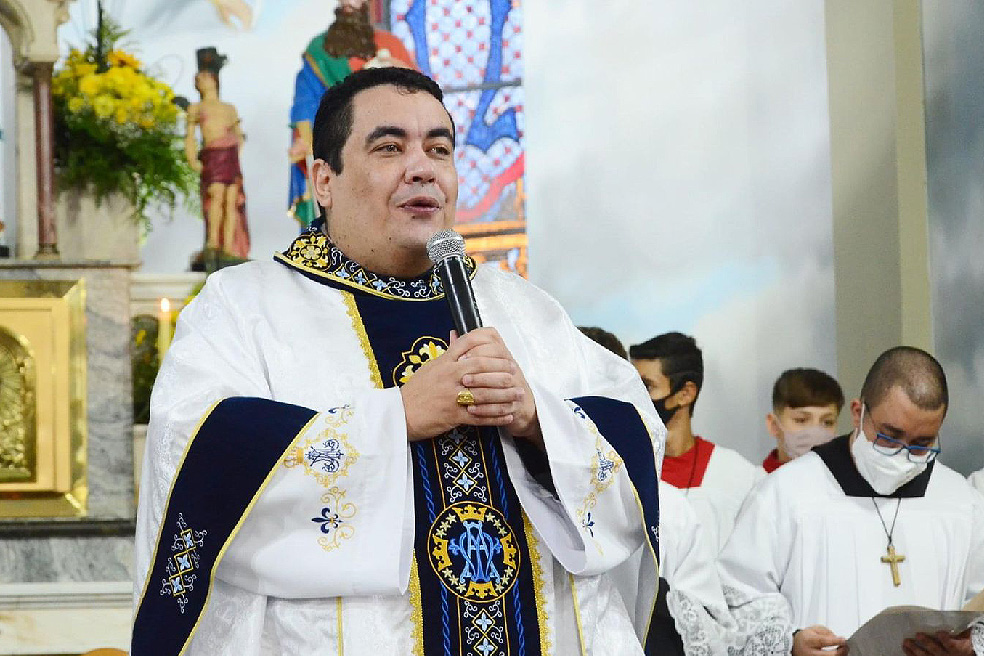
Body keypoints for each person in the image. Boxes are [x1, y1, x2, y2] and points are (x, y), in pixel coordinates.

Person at [133, 68, 664, 656]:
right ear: (323, 181)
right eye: (389, 147)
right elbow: (195, 448)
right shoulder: (244, 306)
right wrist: (396, 417)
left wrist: (537, 418)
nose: (423, 168)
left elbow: (636, 429)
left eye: (439, 149)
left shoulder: (524, 309)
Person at [718, 346, 984, 656]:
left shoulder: (962, 504)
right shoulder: (786, 493)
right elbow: (738, 597)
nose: (903, 454)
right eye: (890, 436)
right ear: (858, 413)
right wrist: (790, 643)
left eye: (921, 444)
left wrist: (970, 646)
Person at [629, 332, 762, 551]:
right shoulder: (620, 472)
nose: (632, 397)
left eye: (646, 387)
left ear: (685, 394)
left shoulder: (739, 478)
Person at [288, 0, 415, 227]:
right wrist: (304, 138)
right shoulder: (319, 52)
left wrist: (403, 75)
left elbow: (420, 100)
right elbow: (306, 103)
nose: (348, 3)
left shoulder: (391, 46)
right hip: (340, 152)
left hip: (390, 152)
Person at [184, 47, 250, 266]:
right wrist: (192, 159)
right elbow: (190, 137)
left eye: (206, 77)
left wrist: (237, 150)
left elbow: (238, 134)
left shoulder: (229, 108)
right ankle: (213, 243)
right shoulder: (196, 108)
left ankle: (228, 247)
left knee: (231, 201)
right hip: (213, 155)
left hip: (230, 155)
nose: (202, 81)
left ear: (214, 80)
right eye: (199, 78)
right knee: (216, 197)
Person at [762, 368, 843, 474]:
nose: (816, 433)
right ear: (774, 425)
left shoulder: (845, 480)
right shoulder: (757, 482)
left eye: (827, 422)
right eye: (801, 420)